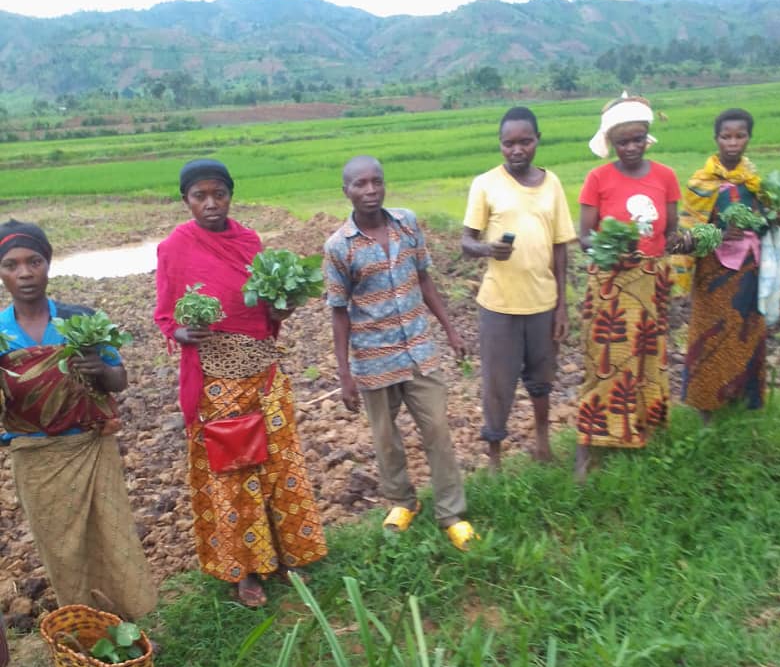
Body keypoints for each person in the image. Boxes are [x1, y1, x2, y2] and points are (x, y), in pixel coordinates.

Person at [154, 159, 327, 608]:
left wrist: (283, 308)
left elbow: (268, 309)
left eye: (219, 194)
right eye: (200, 196)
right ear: (186, 200)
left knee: (279, 463)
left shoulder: (250, 241)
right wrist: (181, 333)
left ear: (231, 195)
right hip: (214, 378)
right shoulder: (175, 247)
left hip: (264, 371)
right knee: (231, 471)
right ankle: (244, 570)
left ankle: (294, 554)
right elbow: (165, 315)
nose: (211, 204)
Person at [0, 219, 156, 619]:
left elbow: (118, 380)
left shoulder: (80, 319)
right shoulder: (1, 333)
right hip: (35, 458)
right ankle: (86, 627)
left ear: (48, 264)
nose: (24, 273)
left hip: (90, 448)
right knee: (62, 550)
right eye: (11, 265)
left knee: (113, 536)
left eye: (33, 261)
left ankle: (130, 622)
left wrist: (98, 370)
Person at [324, 155, 477, 550]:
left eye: (377, 181)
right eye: (360, 184)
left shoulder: (407, 223)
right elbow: (339, 313)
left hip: (420, 351)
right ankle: (402, 502)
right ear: (347, 191)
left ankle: (452, 513)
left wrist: (450, 329)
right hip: (373, 359)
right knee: (386, 437)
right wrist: (344, 374)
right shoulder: (339, 247)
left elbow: (424, 280)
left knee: (438, 430)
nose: (371, 190)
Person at [461, 107, 577, 469]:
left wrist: (562, 306)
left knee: (542, 378)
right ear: (500, 145)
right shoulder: (485, 184)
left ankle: (543, 442)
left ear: (537, 140)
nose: (517, 150)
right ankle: (495, 458)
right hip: (498, 305)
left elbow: (560, 247)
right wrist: (487, 249)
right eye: (509, 143)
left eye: (525, 141)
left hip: (543, 302)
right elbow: (467, 242)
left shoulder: (552, 184)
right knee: (498, 382)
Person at [575, 96, 681, 481]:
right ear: (613, 144)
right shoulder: (598, 179)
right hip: (610, 284)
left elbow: (669, 232)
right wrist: (611, 246)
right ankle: (589, 447)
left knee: (648, 360)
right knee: (605, 361)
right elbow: (583, 235)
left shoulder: (665, 177)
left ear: (647, 136)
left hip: (651, 281)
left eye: (638, 138)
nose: (632, 147)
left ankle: (641, 434)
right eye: (624, 142)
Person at [676, 109, 767, 417]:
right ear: (716, 139)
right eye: (726, 136)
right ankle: (707, 411)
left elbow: (763, 223)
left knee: (747, 334)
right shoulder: (702, 183)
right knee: (710, 338)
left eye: (740, 136)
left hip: (748, 272)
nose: (733, 142)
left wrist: (774, 218)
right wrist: (719, 232)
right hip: (712, 276)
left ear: (749, 138)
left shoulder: (753, 182)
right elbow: (689, 236)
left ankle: (743, 404)